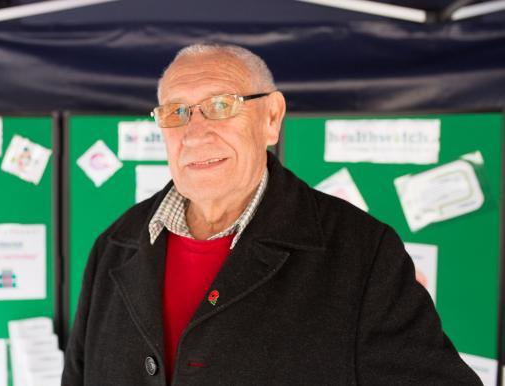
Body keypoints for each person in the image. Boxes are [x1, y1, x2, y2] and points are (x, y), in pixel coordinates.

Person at [62, 43, 480, 385]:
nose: (195, 132)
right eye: (177, 112)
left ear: (272, 118)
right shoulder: (114, 246)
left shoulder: (362, 254)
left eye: (222, 105)